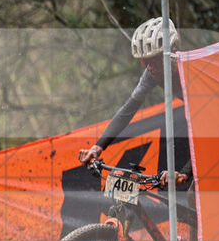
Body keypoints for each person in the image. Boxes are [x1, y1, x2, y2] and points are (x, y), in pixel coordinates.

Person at [77, 17, 190, 188]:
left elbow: (208, 125)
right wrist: (98, 147)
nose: (150, 67)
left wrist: (184, 172)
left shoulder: (189, 70)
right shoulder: (151, 74)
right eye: (145, 62)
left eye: (155, 60)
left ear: (171, 51)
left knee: (192, 196)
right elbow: (127, 111)